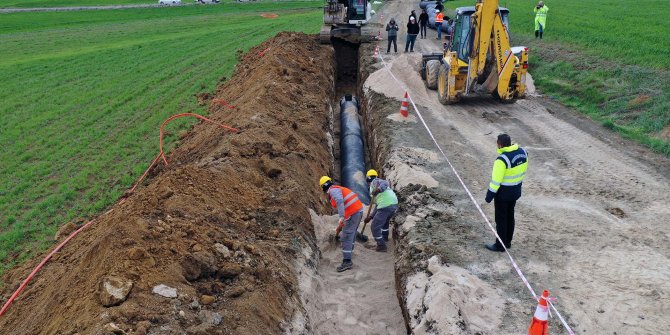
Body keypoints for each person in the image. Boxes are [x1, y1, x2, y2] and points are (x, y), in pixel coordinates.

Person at [484, 134, 528, 252]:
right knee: (510, 216)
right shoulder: (523, 152)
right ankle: (507, 242)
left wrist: (489, 196)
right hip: (515, 191)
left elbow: (496, 181)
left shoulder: (502, 160)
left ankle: (500, 245)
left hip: (503, 195)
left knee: (501, 220)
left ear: (499, 144)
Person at [320, 176, 364, 271]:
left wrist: (341, 216)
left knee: (346, 236)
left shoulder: (333, 191)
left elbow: (339, 201)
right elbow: (345, 205)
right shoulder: (337, 189)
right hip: (357, 211)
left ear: (323, 188)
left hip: (354, 213)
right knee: (351, 232)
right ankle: (352, 248)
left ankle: (347, 261)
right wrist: (340, 226)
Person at [363, 170, 398, 252]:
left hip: (385, 205)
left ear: (368, 178)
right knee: (385, 222)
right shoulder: (374, 186)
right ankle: (384, 238)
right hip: (393, 204)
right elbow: (378, 205)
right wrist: (371, 216)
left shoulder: (375, 181)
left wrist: (378, 189)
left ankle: (381, 246)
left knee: (375, 227)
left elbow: (385, 183)